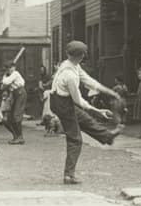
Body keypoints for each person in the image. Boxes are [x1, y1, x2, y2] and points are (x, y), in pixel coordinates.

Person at [49, 41, 121, 185]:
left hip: (61, 100)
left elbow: (89, 81)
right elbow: (78, 101)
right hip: (62, 104)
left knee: (84, 119)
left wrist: (109, 91)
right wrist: (97, 110)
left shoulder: (71, 65)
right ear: (82, 56)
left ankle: (107, 136)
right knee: (75, 139)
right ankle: (68, 175)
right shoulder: (69, 75)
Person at [1, 61, 27, 145]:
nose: (10, 69)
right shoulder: (10, 75)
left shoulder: (16, 73)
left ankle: (20, 137)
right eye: (8, 68)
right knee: (10, 117)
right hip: (14, 95)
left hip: (20, 93)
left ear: (14, 67)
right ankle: (16, 137)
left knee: (16, 115)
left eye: (12, 67)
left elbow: (5, 83)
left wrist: (4, 76)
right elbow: (2, 87)